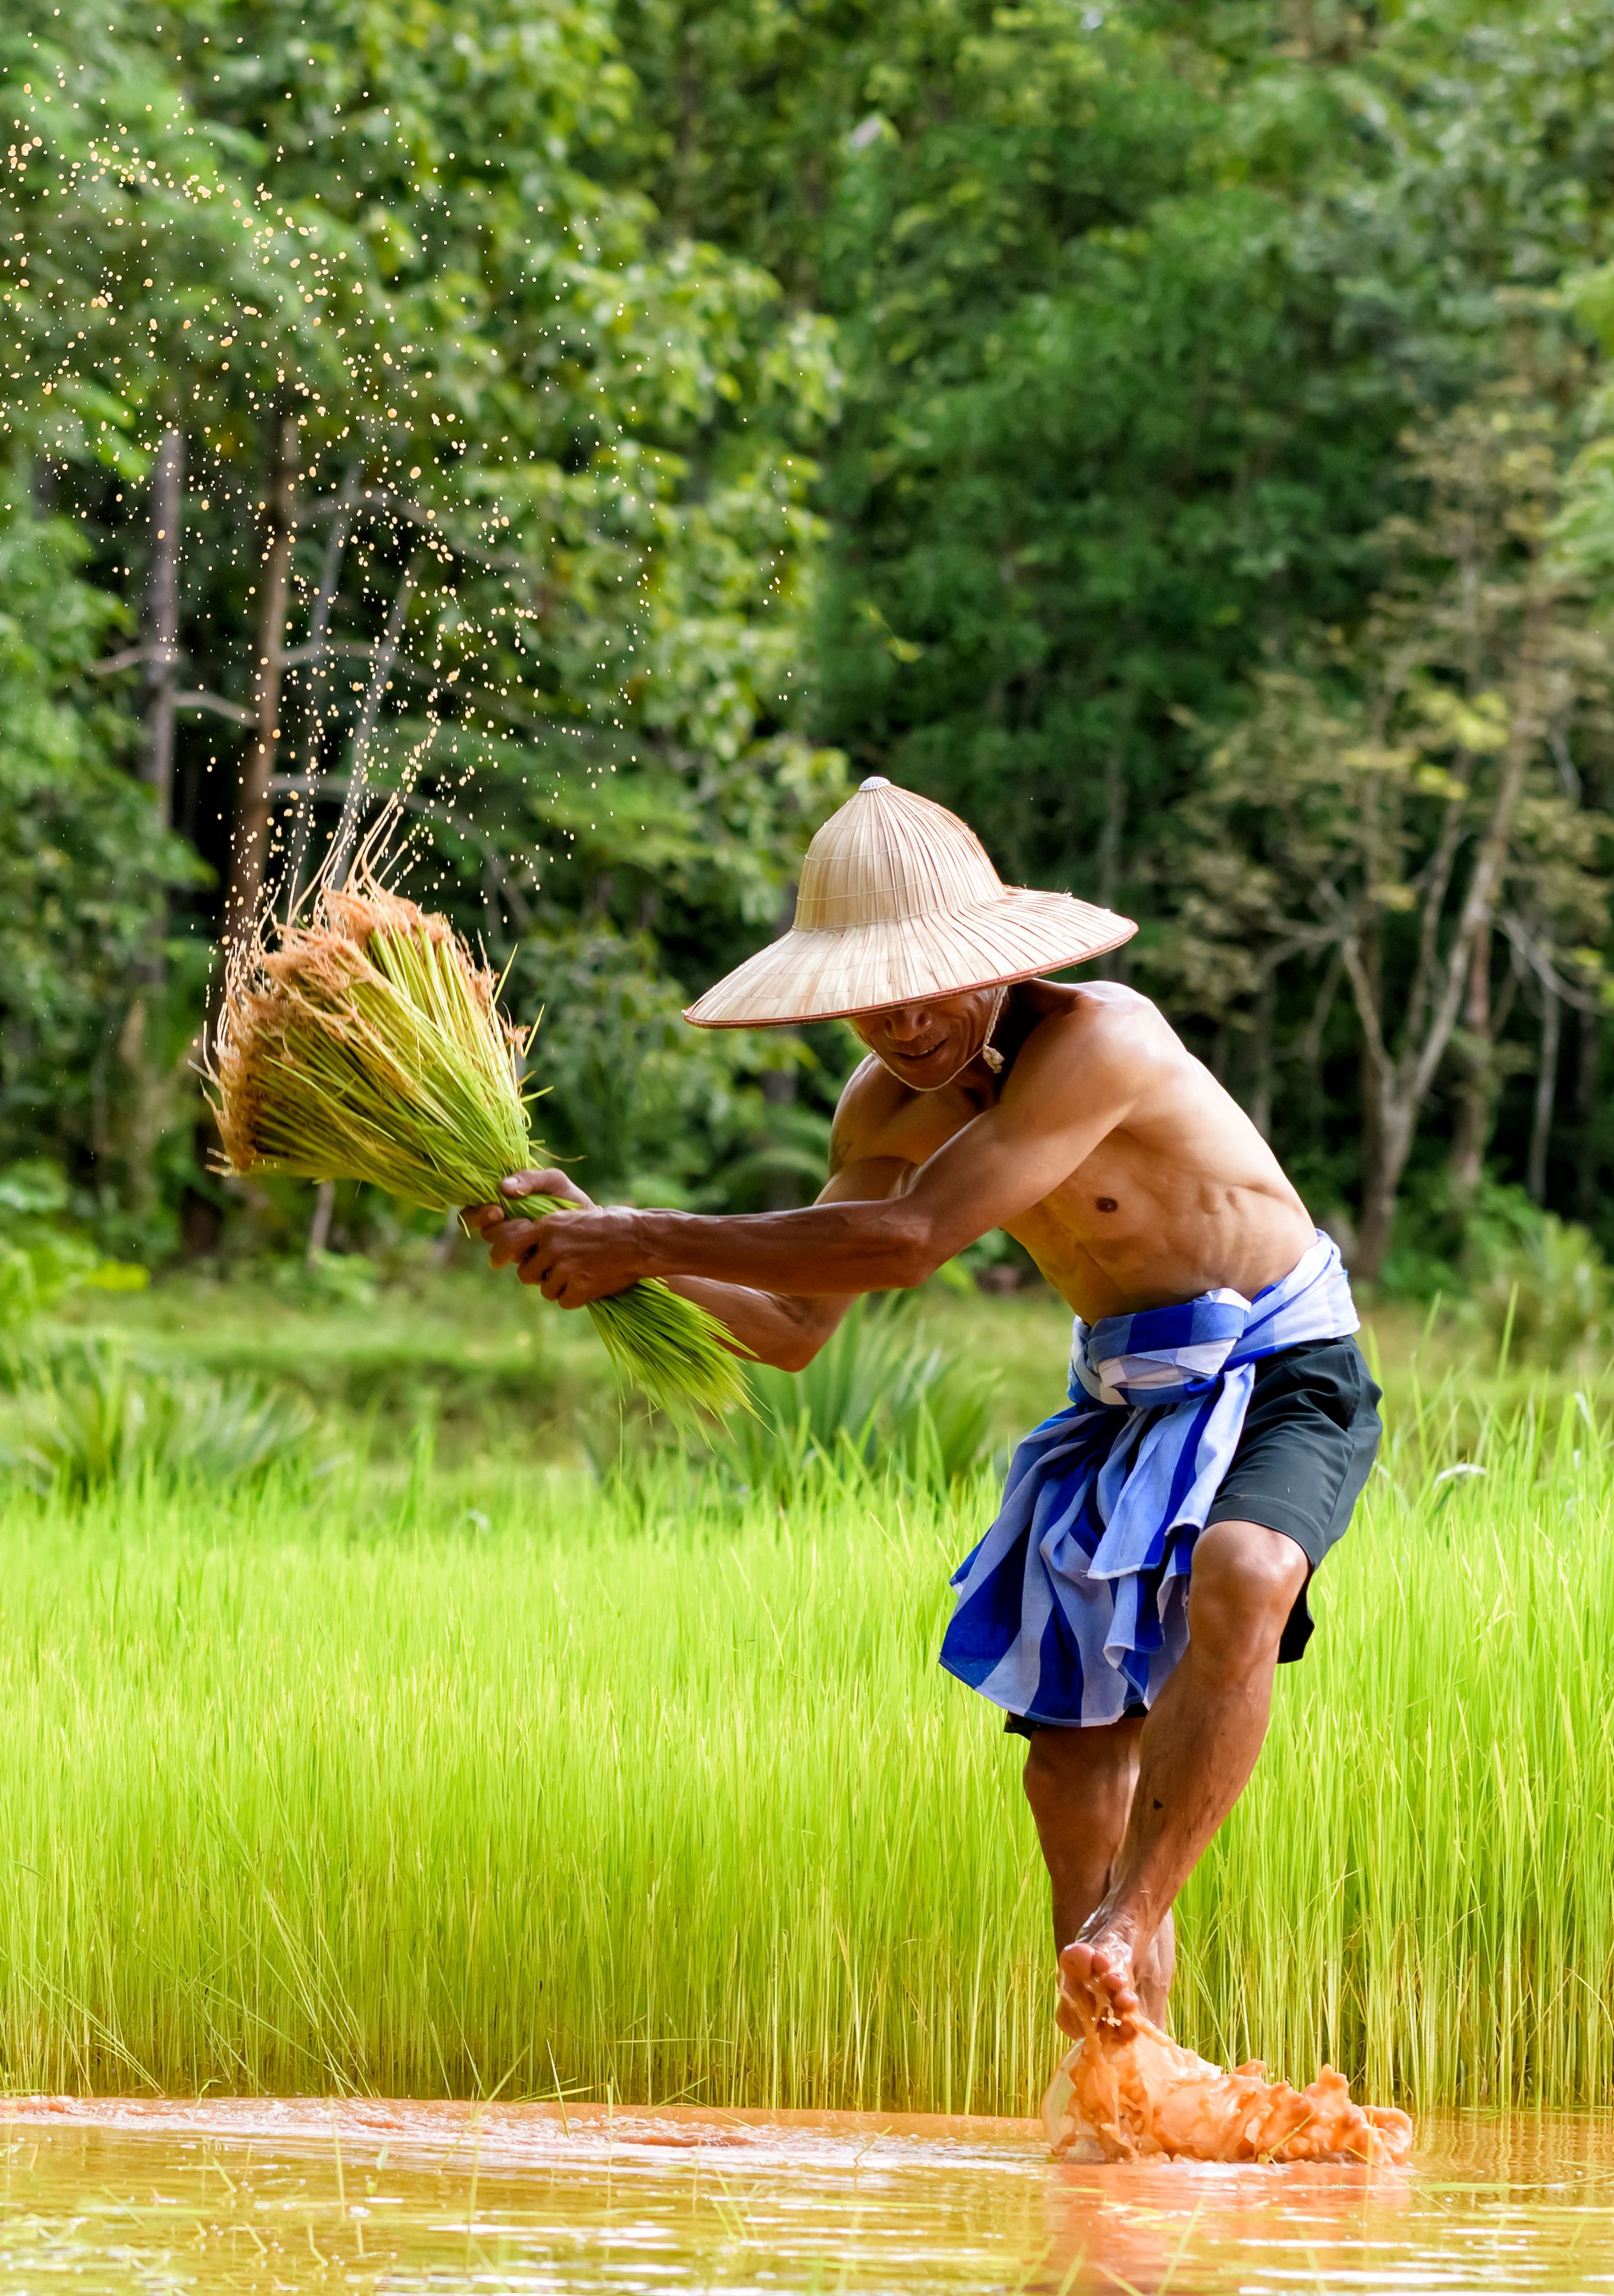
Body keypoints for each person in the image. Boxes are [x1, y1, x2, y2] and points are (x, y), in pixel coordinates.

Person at [469, 778, 1380, 2047]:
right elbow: (795, 1331)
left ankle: (1132, 1918)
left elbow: (906, 1241)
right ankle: (1122, 2087)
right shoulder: (882, 1107)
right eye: (869, 996)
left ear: (990, 967)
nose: (902, 1023)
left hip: (1281, 1365)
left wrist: (635, 1233)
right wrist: (627, 1256)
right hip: (1123, 1398)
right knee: (1068, 1771)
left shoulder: (1103, 1038)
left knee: (1246, 1569)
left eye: (927, 986)